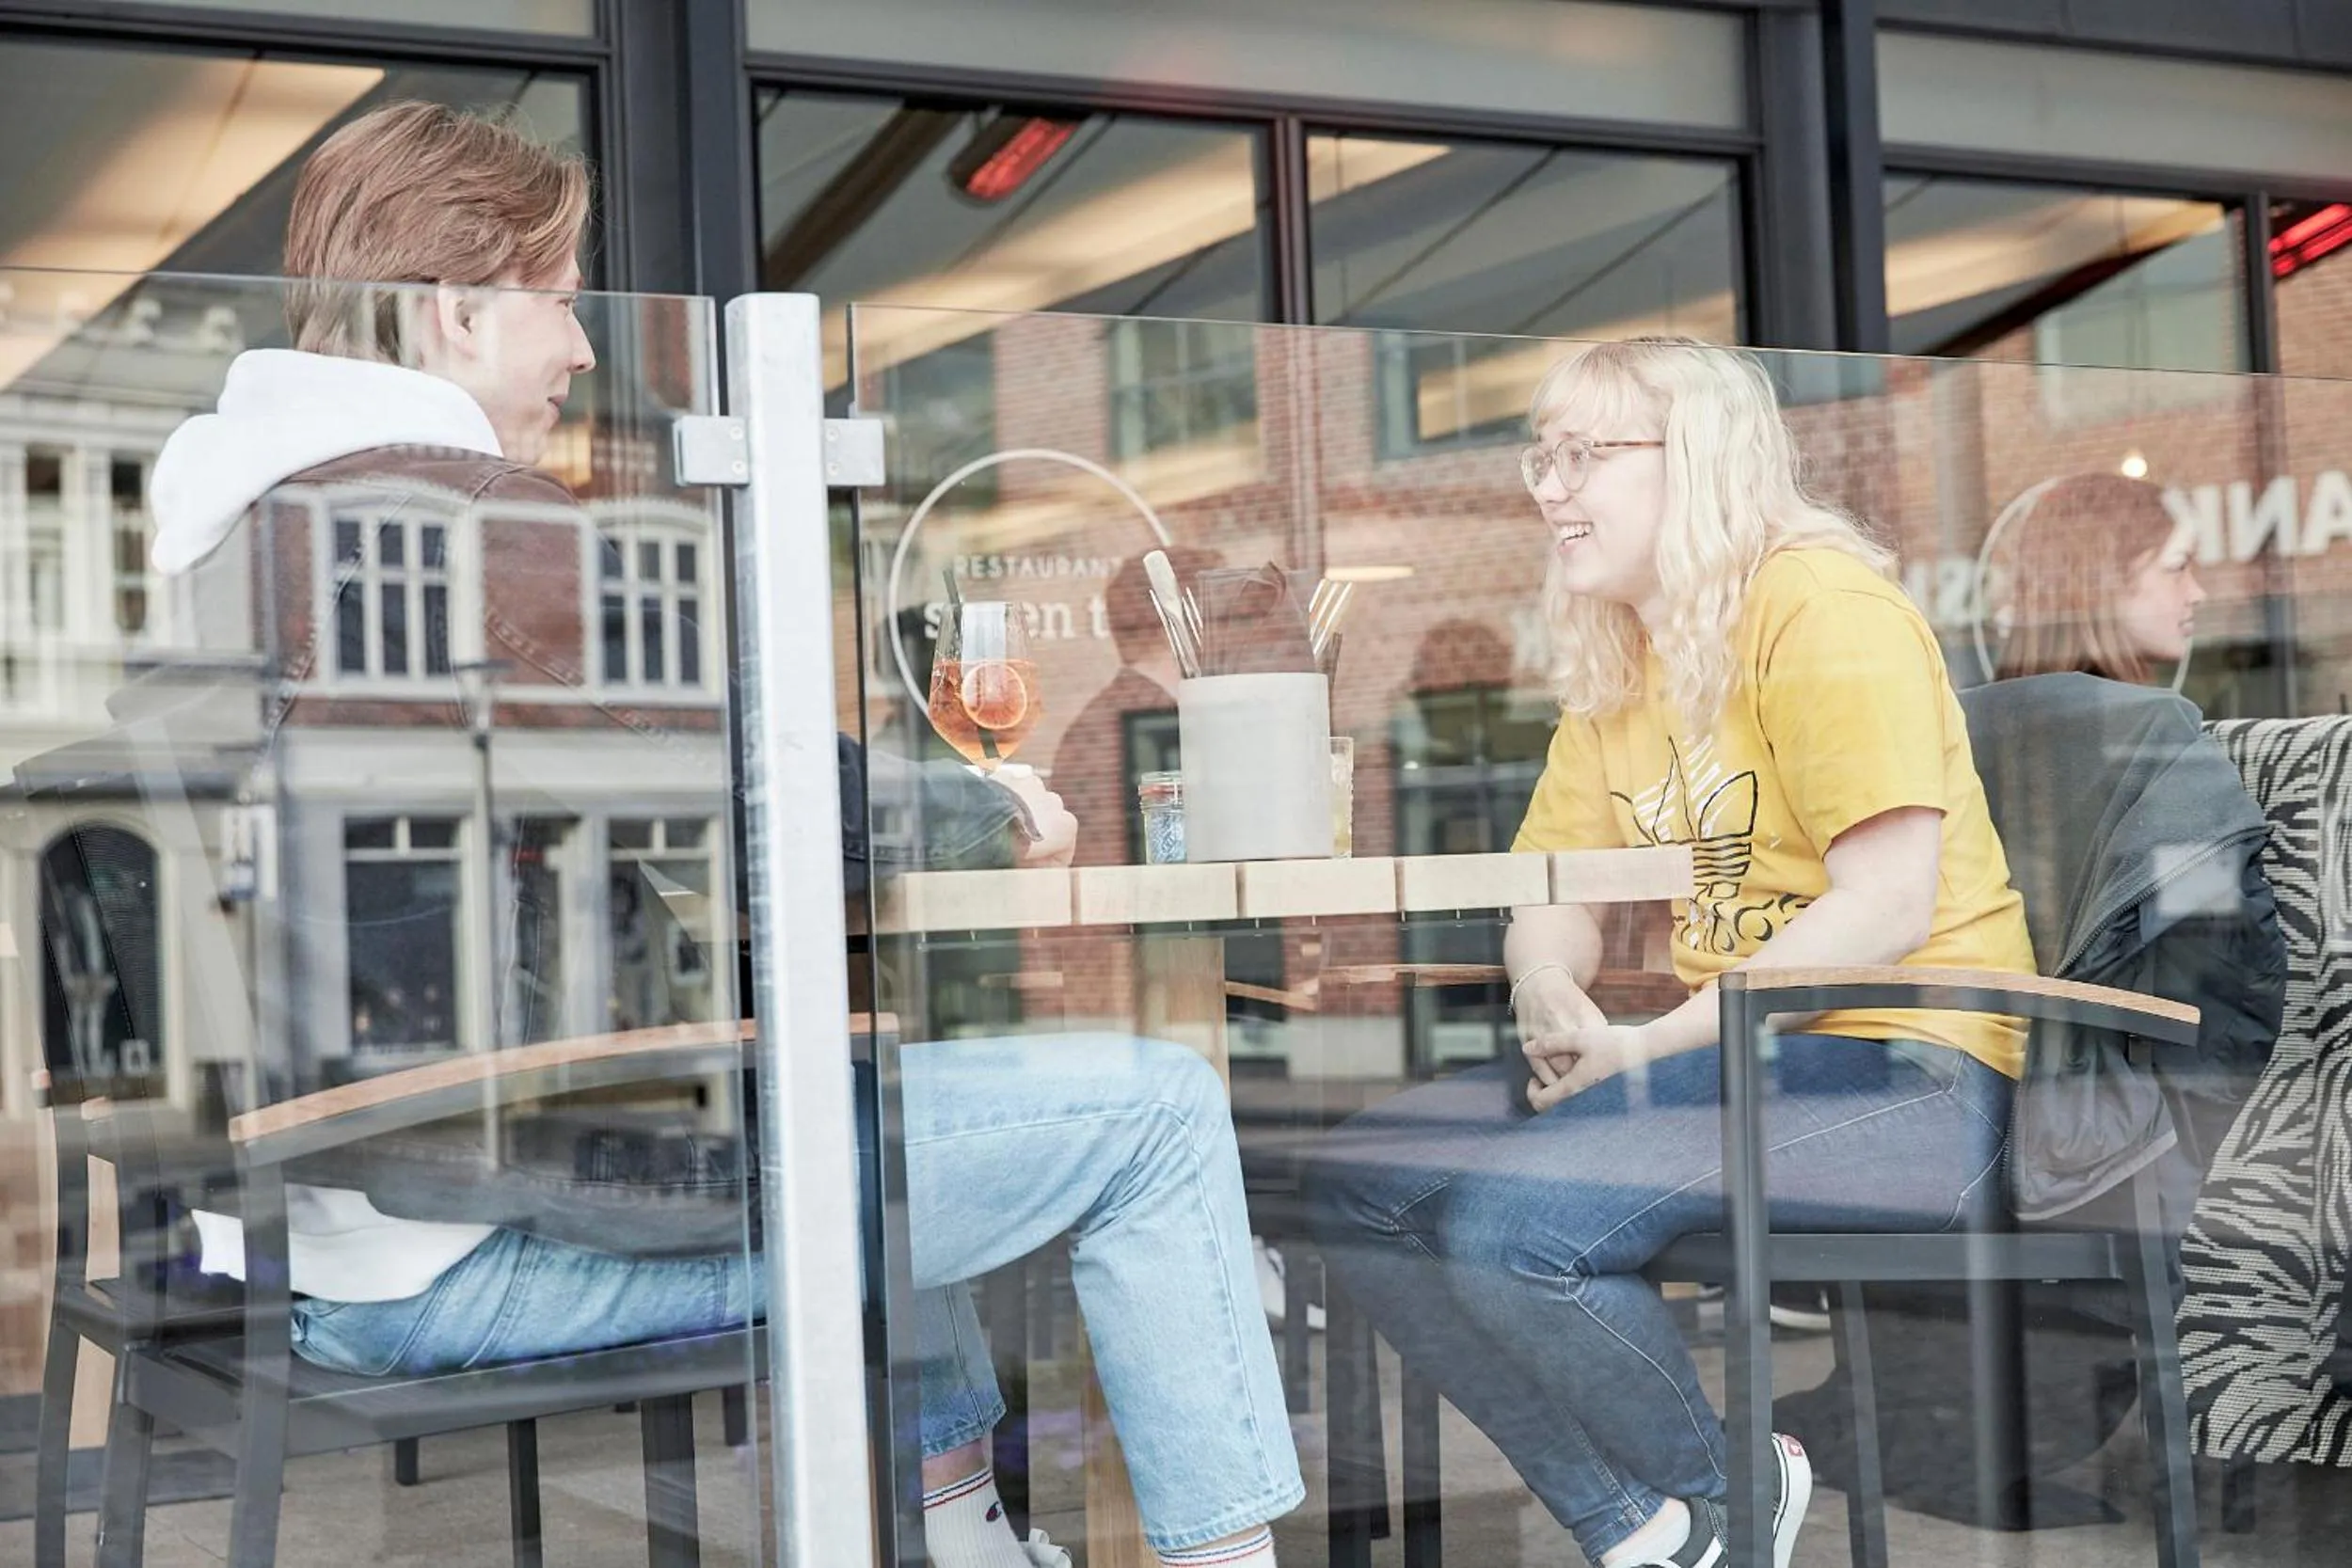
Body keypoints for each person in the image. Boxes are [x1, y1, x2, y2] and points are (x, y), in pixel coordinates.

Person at [151, 103, 1298, 1568]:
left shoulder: (243, 541)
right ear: (455, 310)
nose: (582, 350)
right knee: (1156, 1109)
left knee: (855, 1097)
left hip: (339, 1220)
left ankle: (966, 1541)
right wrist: (980, 806)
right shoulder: (458, 520)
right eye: (561, 301)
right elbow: (759, 778)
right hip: (480, 1231)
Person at [1306, 337, 2037, 1568]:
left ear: (1693, 460)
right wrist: (1550, 987)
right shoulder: (1625, 650)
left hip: (1916, 1065)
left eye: (1582, 456)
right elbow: (1554, 885)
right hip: (1740, 1055)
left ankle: (1728, 1499)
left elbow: (1886, 909)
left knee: (1515, 1227)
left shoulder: (1823, 608)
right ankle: (1645, 1527)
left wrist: (1644, 1045)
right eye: (1541, 458)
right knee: (1359, 1184)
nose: (1548, 487)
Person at [1983, 471, 2206, 684]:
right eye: (2178, 567)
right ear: (2105, 580)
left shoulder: (1989, 706)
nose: (2197, 594)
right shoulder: (2140, 709)